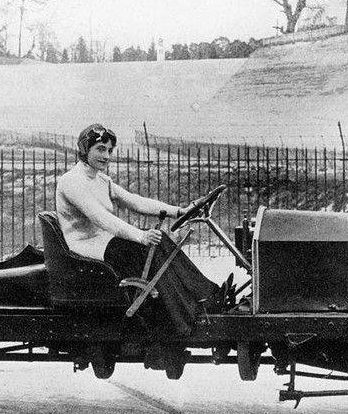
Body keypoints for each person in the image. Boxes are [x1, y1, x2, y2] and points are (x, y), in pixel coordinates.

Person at [54, 123, 222, 336]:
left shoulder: (101, 179)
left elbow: (135, 202)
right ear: (85, 149)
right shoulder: (72, 182)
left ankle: (206, 295)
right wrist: (141, 236)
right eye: (100, 149)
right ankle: (186, 315)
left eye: (109, 150)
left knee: (160, 241)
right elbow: (102, 218)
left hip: (104, 241)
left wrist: (179, 211)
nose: (106, 156)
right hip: (85, 246)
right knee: (145, 248)